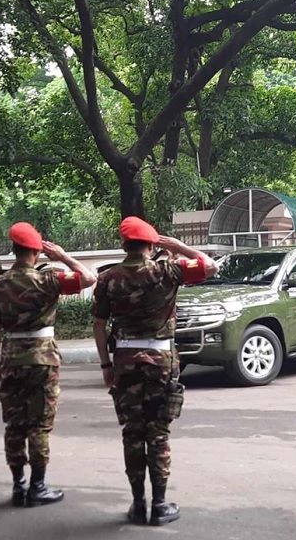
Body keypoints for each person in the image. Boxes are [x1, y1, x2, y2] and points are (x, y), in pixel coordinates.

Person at [92, 217, 218, 526]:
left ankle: (138, 505)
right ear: (151, 246)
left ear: (124, 245)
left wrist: (106, 364)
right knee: (158, 434)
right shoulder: (167, 271)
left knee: (132, 434)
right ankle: (159, 505)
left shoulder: (108, 278)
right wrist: (177, 246)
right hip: (161, 362)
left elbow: (98, 325)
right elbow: (210, 266)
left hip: (124, 361)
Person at [0, 222, 97, 507]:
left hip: (11, 358)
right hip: (42, 360)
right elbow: (88, 278)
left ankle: (17, 486)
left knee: (14, 425)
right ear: (37, 251)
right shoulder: (48, 280)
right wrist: (62, 256)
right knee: (39, 425)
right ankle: (37, 487)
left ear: (14, 250)